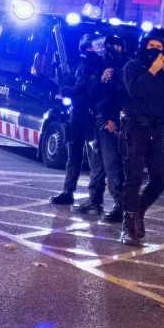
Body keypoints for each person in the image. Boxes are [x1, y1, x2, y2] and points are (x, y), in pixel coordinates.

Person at [119, 33, 164, 244]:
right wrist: (153, 69)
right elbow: (136, 90)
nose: (155, 50)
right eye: (151, 45)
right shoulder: (133, 66)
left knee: (161, 177)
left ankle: (138, 210)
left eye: (159, 47)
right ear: (144, 46)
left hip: (158, 128)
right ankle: (127, 223)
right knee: (134, 176)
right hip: (136, 126)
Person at [50, 34, 105, 207]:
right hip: (77, 115)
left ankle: (95, 198)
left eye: (91, 48)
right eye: (86, 48)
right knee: (73, 155)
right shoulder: (80, 64)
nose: (89, 51)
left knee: (95, 158)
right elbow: (74, 83)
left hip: (90, 116)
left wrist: (66, 90)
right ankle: (68, 191)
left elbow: (82, 89)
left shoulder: (98, 66)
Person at [90, 32, 130, 222]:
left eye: (118, 47)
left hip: (111, 121)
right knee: (98, 163)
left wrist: (111, 120)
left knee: (112, 164)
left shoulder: (123, 68)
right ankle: (94, 200)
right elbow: (95, 94)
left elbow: (119, 98)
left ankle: (120, 206)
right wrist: (101, 79)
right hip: (100, 120)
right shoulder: (101, 66)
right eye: (113, 47)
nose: (116, 50)